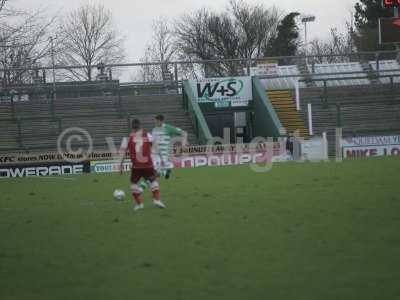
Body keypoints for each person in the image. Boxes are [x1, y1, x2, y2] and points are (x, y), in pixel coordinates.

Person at [119, 119, 166, 211]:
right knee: (153, 181)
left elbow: (123, 152)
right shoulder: (147, 135)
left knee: (133, 184)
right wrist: (162, 159)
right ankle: (156, 199)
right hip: (148, 164)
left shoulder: (127, 138)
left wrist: (120, 164)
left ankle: (139, 204)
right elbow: (156, 147)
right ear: (140, 125)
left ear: (132, 126)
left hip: (136, 166)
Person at [151, 114, 187, 179]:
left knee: (156, 173)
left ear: (161, 121)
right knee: (154, 171)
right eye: (155, 121)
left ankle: (165, 171)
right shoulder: (154, 130)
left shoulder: (168, 128)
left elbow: (184, 133)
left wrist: (183, 144)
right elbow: (153, 141)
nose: (155, 122)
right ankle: (166, 171)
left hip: (164, 152)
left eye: (156, 121)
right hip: (155, 152)